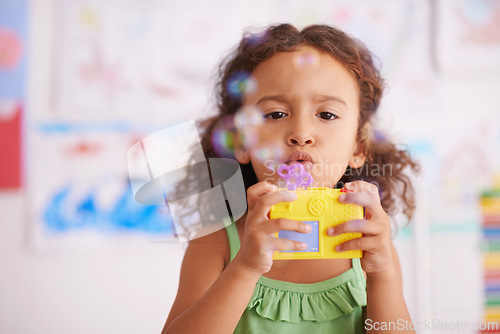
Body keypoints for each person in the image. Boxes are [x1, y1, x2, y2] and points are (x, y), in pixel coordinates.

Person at [161, 23, 419, 333]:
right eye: (276, 114)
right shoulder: (217, 241)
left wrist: (381, 275)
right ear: (241, 141)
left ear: (359, 146)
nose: (300, 134)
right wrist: (245, 267)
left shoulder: (368, 244)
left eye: (326, 115)